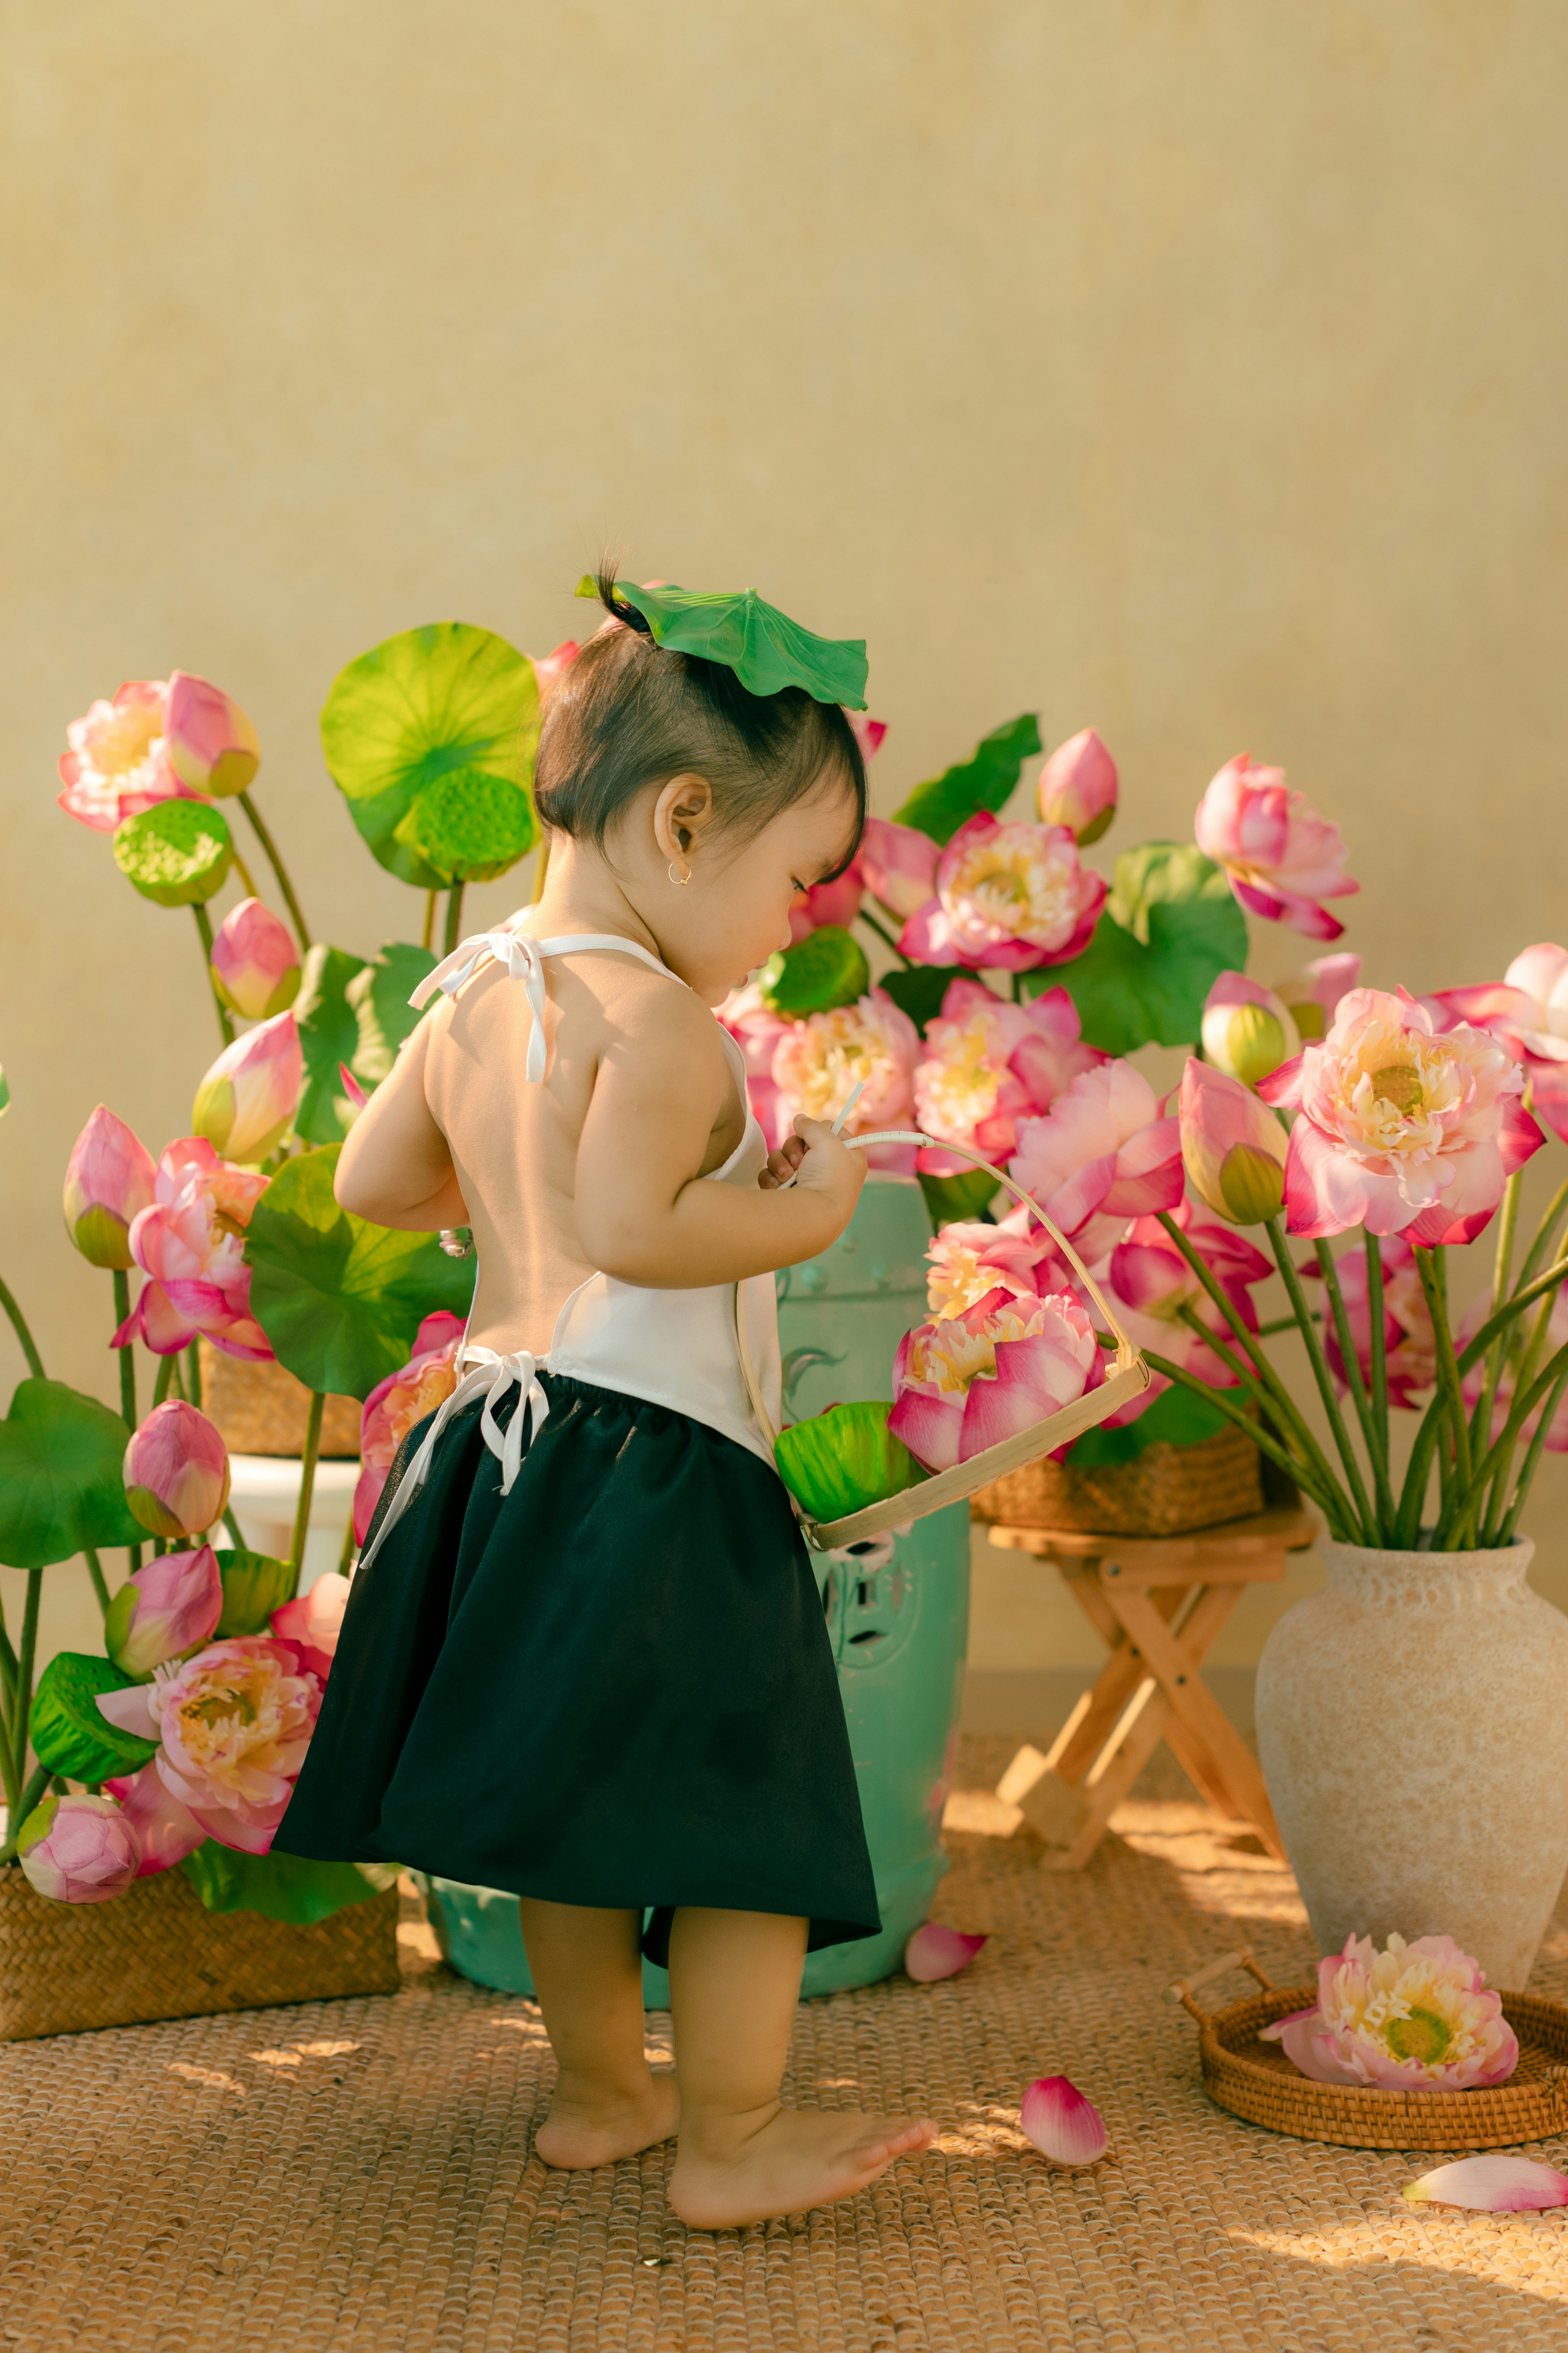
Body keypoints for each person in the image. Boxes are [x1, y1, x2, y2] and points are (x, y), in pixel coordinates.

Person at [275, 572, 938, 2228]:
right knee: (738, 1804)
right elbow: (646, 1236)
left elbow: (373, 1185)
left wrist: (510, 1182)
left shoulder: (477, 994)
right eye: (796, 883)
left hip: (494, 1452)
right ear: (687, 820)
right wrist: (809, 1204)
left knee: (569, 1809)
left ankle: (599, 2092)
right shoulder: (663, 1025)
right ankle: (731, 2134)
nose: (796, 924)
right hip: (649, 1467)